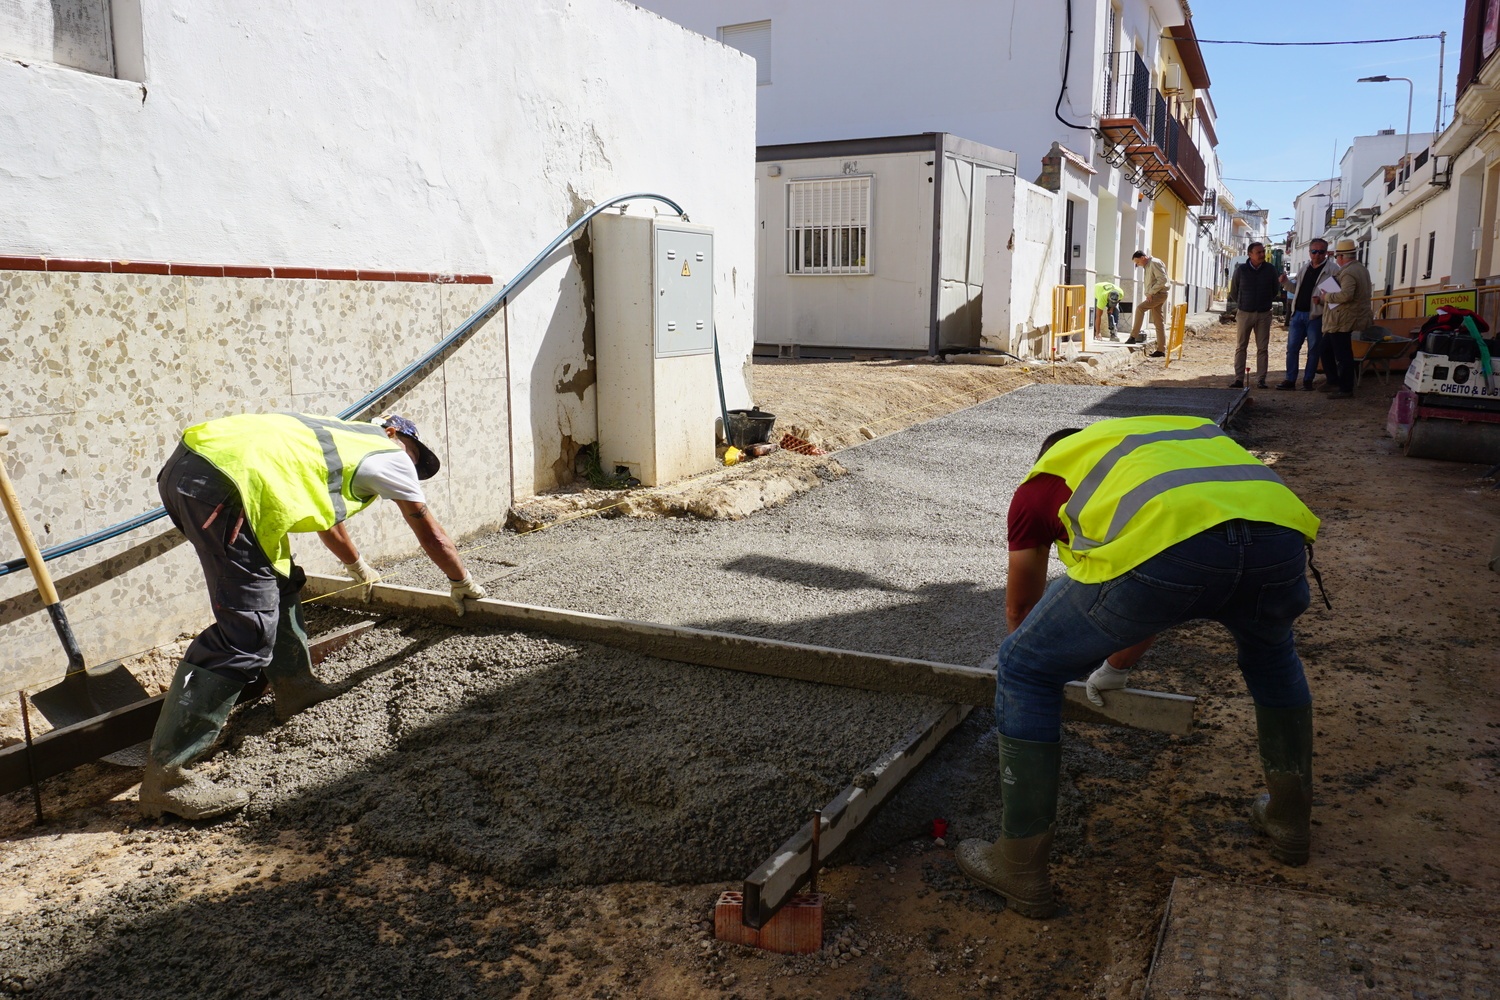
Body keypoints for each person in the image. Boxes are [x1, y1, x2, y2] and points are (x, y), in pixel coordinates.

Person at [956, 416, 1321, 918]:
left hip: (1171, 552)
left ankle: (1019, 866)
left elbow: (1023, 610)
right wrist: (1118, 667)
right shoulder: (1163, 445)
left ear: (1048, 456)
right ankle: (1290, 820)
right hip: (1279, 541)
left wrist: (1031, 677)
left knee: (1024, 667)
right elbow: (1151, 584)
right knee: (1272, 657)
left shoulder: (1043, 483)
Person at [140, 412, 488, 820]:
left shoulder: (340, 439)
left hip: (198, 469)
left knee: (282, 580)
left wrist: (358, 567)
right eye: (414, 454)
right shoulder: (389, 455)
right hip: (218, 483)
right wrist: (461, 581)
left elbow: (328, 520)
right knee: (247, 629)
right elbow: (431, 533)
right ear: (393, 433)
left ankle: (296, 688)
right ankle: (167, 777)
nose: (412, 466)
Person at [1276, 239, 1337, 390]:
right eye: (1314, 251)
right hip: (1297, 314)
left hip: (1315, 316)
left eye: (1321, 252)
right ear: (1309, 252)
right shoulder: (1304, 268)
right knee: (1292, 348)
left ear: (1326, 253)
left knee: (1313, 350)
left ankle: (1308, 381)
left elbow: (1336, 296)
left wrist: (1321, 301)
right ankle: (1290, 380)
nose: (1317, 255)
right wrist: (1285, 283)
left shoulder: (1332, 270)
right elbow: (1296, 289)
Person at [1316, 239, 1373, 400]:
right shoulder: (1360, 269)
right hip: (1346, 317)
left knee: (1343, 355)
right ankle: (1333, 381)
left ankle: (1345, 388)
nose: (1336, 260)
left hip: (1343, 319)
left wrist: (1327, 296)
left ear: (1341, 256)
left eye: (1337, 257)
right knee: (1326, 349)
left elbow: (1346, 295)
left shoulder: (1349, 272)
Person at [1227, 242, 1281, 388]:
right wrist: (1243, 303)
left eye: (1263, 252)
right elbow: (1234, 291)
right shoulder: (1241, 270)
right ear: (1250, 254)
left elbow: (1275, 289)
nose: (1262, 254)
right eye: (1259, 252)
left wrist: (1264, 302)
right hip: (1245, 313)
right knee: (1241, 346)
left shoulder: (1270, 270)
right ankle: (1239, 379)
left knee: (1262, 348)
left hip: (1264, 314)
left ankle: (1261, 379)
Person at [1128, 251, 1169, 357]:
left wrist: (1151, 292)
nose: (1137, 264)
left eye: (1137, 262)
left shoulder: (1154, 263)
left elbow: (1163, 280)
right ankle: (1161, 350)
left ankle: (1133, 337)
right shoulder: (1148, 265)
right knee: (1158, 322)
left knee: (1140, 308)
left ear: (1143, 257)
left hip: (1158, 294)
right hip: (1156, 294)